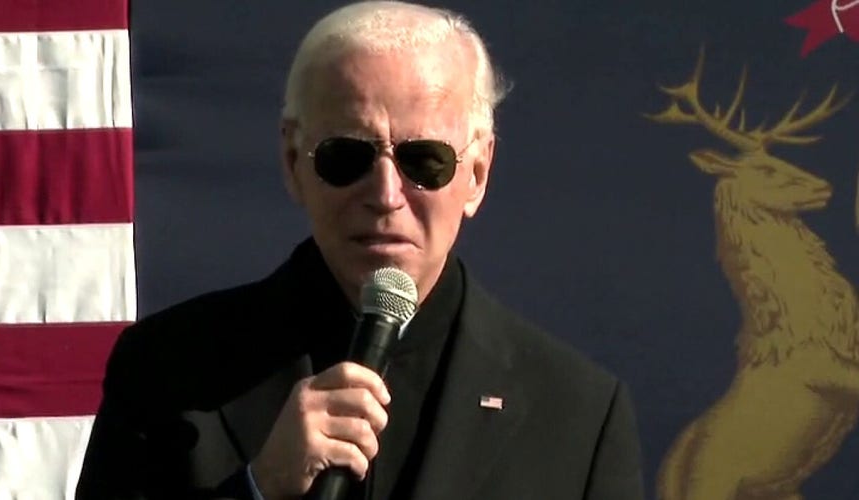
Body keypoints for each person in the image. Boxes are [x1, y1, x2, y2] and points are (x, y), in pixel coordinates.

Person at [75, 1, 645, 499]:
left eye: (425, 160)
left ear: (476, 173)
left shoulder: (576, 415)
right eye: (346, 156)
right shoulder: (167, 371)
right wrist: (258, 488)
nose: (386, 194)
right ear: (294, 163)